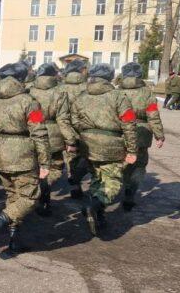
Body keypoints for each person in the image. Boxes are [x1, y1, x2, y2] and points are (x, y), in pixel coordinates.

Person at [0, 62, 51, 256]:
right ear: (21, 80)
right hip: (21, 155)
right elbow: (39, 133)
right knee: (30, 196)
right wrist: (45, 162)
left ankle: (14, 240)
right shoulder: (29, 102)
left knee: (13, 196)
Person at [70, 63, 137, 237]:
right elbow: (129, 123)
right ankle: (95, 206)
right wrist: (132, 150)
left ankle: (98, 213)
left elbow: (73, 120)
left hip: (88, 145)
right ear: (110, 77)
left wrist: (85, 134)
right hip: (112, 145)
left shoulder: (81, 97)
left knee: (96, 177)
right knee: (113, 182)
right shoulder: (118, 97)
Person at [28, 63, 78, 216]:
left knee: (37, 166)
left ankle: (38, 195)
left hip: (32, 132)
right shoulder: (60, 92)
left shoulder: (29, 90)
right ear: (52, 75)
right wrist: (71, 140)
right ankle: (44, 192)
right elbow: (63, 119)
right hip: (53, 136)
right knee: (55, 167)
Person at [118, 62, 164, 211]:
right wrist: (159, 135)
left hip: (120, 131)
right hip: (142, 133)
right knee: (139, 164)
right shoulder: (147, 92)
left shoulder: (116, 91)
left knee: (123, 160)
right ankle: (130, 192)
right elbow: (153, 115)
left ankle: (121, 185)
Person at [58, 60, 89, 199]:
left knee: (70, 155)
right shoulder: (88, 87)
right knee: (85, 155)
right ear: (81, 71)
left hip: (63, 126)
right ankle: (77, 178)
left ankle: (75, 184)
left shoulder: (59, 88)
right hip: (84, 127)